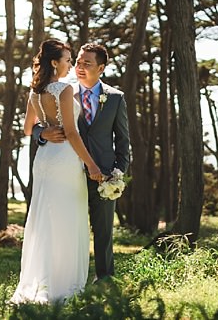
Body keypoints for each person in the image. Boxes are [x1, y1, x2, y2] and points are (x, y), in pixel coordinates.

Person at [11, 40, 106, 304]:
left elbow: (28, 129)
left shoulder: (34, 91)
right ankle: (62, 284)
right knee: (67, 219)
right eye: (67, 60)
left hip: (43, 159)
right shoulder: (63, 90)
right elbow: (72, 133)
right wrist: (91, 164)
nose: (70, 65)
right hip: (65, 158)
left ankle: (42, 280)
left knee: (45, 219)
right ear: (55, 63)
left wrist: (43, 132)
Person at [36, 42, 131, 282]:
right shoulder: (63, 91)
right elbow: (37, 121)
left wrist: (117, 172)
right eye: (77, 61)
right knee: (68, 227)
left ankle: (105, 277)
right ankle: (67, 278)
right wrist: (42, 134)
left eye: (86, 63)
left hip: (104, 174)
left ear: (101, 68)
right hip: (68, 171)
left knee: (103, 230)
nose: (79, 67)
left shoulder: (115, 98)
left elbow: (123, 141)